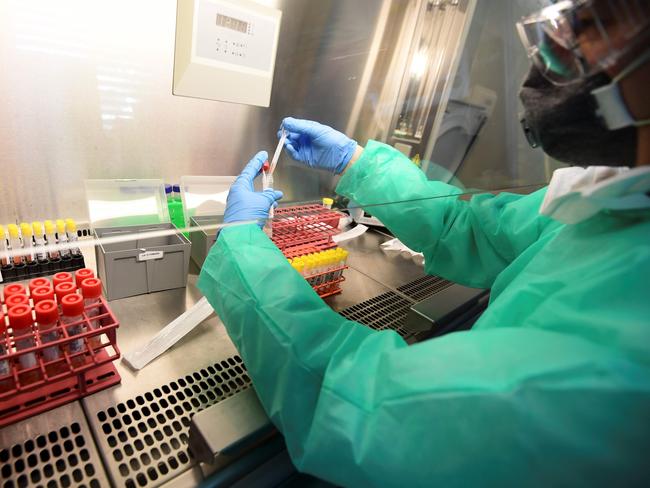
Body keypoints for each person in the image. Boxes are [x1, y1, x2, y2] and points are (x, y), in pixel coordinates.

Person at [198, 1, 650, 486]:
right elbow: (470, 227)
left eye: (594, 20)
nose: (557, 44)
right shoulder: (621, 202)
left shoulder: (621, 356)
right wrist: (356, 163)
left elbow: (357, 401)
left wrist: (244, 247)